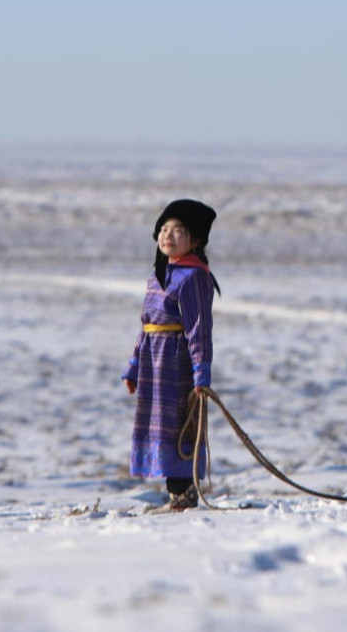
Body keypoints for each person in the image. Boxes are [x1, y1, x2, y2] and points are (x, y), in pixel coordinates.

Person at [124, 198, 220, 511]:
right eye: (163, 229)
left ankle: (184, 494)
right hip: (154, 363)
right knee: (161, 427)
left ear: (195, 241)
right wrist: (134, 367)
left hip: (176, 363)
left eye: (178, 231)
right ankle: (175, 494)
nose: (168, 236)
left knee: (180, 424)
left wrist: (201, 374)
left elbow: (198, 329)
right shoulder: (158, 277)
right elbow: (146, 327)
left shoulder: (194, 277)